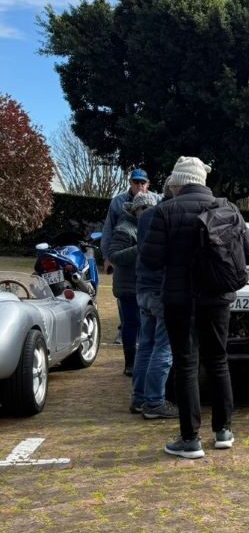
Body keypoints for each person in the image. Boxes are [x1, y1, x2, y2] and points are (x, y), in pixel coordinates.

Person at [139, 156, 249, 459]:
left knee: (186, 364)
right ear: (202, 181)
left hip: (180, 299)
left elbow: (150, 260)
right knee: (218, 360)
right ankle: (224, 431)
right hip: (218, 297)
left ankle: (190, 439)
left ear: (177, 182)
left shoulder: (164, 211)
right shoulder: (229, 209)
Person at [131, 187, 177, 420]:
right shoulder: (169, 216)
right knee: (163, 347)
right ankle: (155, 401)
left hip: (143, 286)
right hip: (161, 288)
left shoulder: (146, 216)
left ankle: (139, 398)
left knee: (146, 344)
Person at [107, 192, 158, 377]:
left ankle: (142, 361)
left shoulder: (153, 227)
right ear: (135, 209)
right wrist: (140, 248)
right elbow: (114, 256)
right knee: (131, 324)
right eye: (143, 208)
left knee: (144, 325)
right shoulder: (124, 228)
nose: (146, 212)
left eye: (150, 208)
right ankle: (130, 363)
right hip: (128, 285)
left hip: (144, 284)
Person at [101, 168, 149, 345]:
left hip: (145, 265)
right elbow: (108, 229)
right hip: (123, 257)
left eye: (142, 182)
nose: (139, 185)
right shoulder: (118, 201)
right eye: (136, 182)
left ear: (147, 184)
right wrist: (107, 257)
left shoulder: (154, 200)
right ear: (130, 183)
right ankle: (125, 330)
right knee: (126, 298)